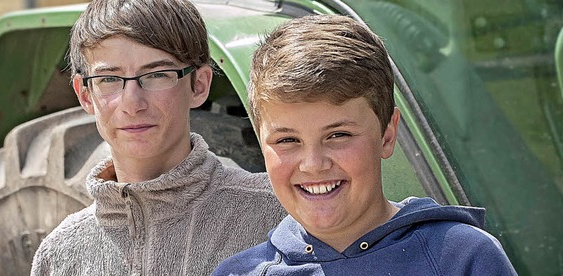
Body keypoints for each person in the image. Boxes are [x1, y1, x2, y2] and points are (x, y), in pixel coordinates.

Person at [213, 14, 517, 275]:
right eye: (288, 140)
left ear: (387, 135)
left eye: (338, 135)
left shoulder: (462, 258)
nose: (314, 163)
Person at [30, 0, 286, 275]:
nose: (132, 103)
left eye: (157, 75)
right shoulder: (60, 255)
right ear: (85, 95)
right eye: (109, 79)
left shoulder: (275, 216)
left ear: (199, 85)